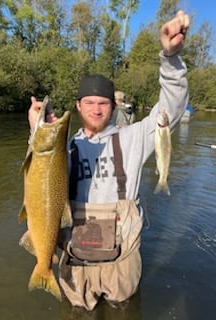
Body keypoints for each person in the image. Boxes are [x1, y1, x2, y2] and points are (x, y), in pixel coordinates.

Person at [28, 11, 190, 311]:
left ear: (113, 106)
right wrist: (37, 130)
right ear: (78, 106)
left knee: (124, 310)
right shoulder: (65, 147)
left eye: (103, 103)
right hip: (76, 261)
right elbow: (38, 182)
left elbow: (172, 108)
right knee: (78, 313)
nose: (96, 109)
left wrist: (170, 58)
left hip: (122, 262)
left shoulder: (134, 138)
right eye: (89, 102)